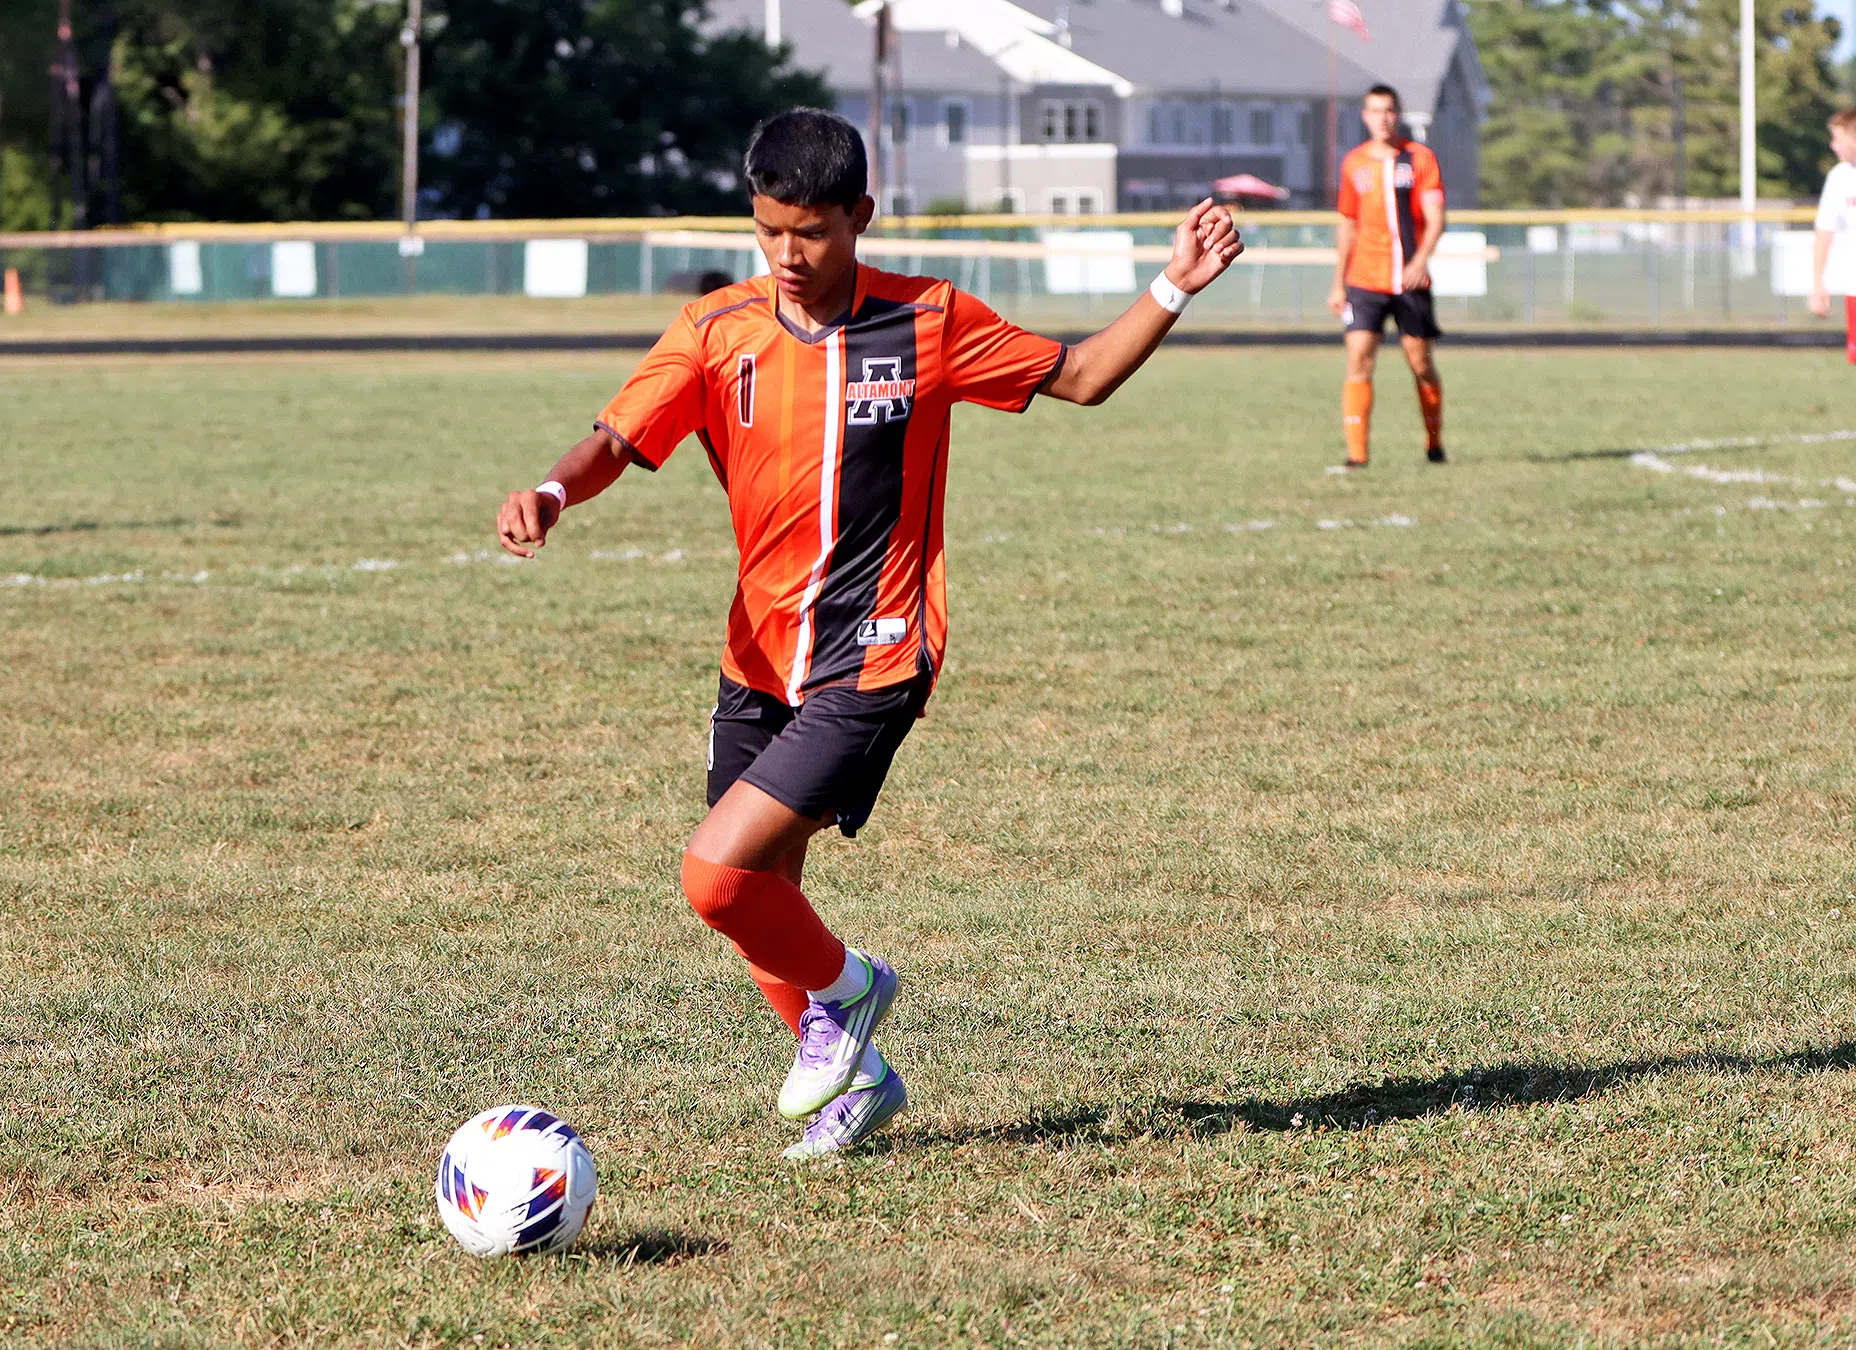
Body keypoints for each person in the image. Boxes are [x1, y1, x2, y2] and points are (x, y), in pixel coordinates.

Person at [492, 109, 1242, 1159]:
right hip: (757, 658)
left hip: (879, 652)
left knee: (715, 876)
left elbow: (1080, 377)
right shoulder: (718, 329)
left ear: (861, 218)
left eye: (812, 234)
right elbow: (617, 436)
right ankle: (862, 1085)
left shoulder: (928, 320)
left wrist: (1173, 286)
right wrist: (551, 491)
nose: (789, 258)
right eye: (768, 233)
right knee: (760, 898)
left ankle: (854, 991)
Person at [1326, 84, 1447, 469]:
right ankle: (1357, 456)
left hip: (1409, 280)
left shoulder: (1420, 158)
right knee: (1359, 355)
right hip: (1365, 279)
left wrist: (1420, 261)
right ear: (1365, 116)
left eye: (1390, 110)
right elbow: (1347, 225)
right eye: (1376, 111)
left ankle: (1434, 444)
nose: (1383, 117)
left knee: (1420, 362)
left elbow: (1435, 217)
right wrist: (1337, 283)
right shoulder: (1354, 163)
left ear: (1399, 115)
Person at [1807, 108, 1856, 363]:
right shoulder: (1839, 178)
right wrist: (1818, 282)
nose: (1833, 145)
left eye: (1838, 139)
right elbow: (1824, 229)